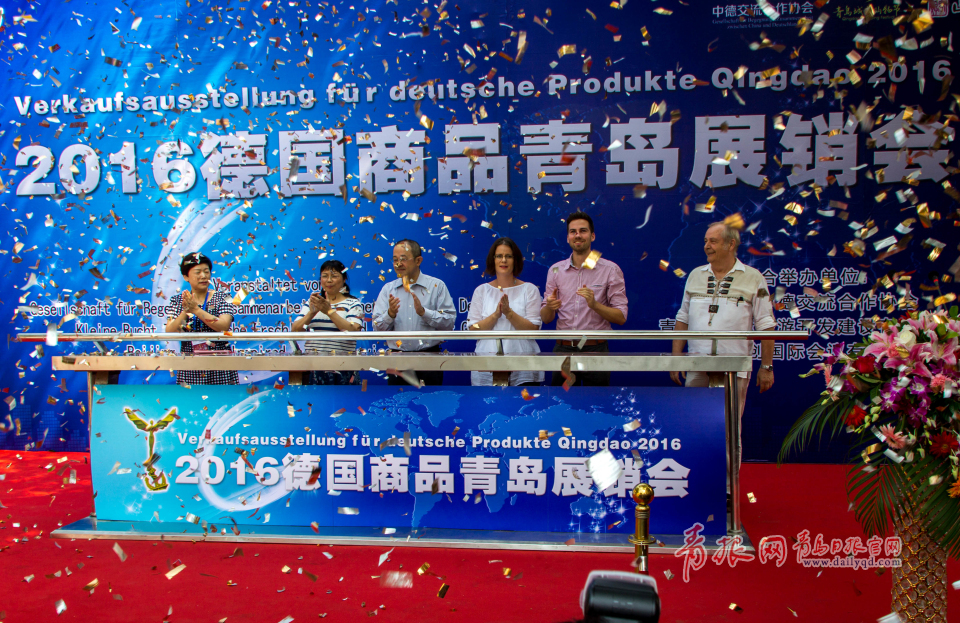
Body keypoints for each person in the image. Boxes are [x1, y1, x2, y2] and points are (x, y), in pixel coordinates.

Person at [670, 221, 776, 473]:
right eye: (705, 241)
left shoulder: (753, 278)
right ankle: (695, 481)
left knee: (728, 429)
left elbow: (766, 324)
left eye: (713, 241)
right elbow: (682, 318)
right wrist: (676, 359)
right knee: (693, 426)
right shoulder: (695, 275)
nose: (707, 246)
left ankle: (728, 487)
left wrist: (767, 367)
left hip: (734, 368)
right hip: (696, 365)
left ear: (731, 244)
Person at [540, 211, 628, 386]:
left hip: (596, 350)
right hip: (563, 350)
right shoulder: (556, 270)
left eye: (583, 231)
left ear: (592, 236)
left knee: (596, 400)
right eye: (573, 232)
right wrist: (550, 306)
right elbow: (546, 318)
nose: (578, 235)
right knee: (562, 400)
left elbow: (621, 317)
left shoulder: (610, 269)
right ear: (568, 238)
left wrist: (595, 305)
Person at [372, 239, 456, 386]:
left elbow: (449, 323)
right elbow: (377, 328)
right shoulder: (388, 290)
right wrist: (390, 314)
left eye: (403, 259)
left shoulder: (436, 286)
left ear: (418, 261)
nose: (398, 264)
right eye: (395, 260)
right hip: (397, 361)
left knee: (429, 399)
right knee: (399, 400)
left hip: (429, 360)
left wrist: (424, 313)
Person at [467, 237, 544, 386]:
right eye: (499, 256)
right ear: (493, 260)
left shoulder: (529, 289)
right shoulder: (481, 291)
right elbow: (473, 329)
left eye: (508, 256)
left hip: (524, 368)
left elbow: (534, 329)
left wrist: (509, 314)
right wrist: (495, 315)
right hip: (486, 367)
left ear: (515, 260)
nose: (504, 260)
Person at [165, 252, 239, 385]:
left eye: (206, 271)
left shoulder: (223, 297)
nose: (203, 276)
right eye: (198, 272)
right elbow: (170, 331)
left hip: (220, 363)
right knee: (191, 398)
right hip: (190, 365)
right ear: (186, 276)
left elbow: (224, 326)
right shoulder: (177, 300)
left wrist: (196, 310)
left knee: (223, 397)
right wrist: (186, 311)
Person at [292, 259, 364, 385]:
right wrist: (311, 313)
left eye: (334, 276)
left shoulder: (353, 303)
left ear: (344, 279)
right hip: (314, 367)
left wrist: (329, 312)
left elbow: (353, 331)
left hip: (343, 367)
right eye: (325, 276)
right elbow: (295, 330)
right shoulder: (312, 302)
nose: (329, 280)